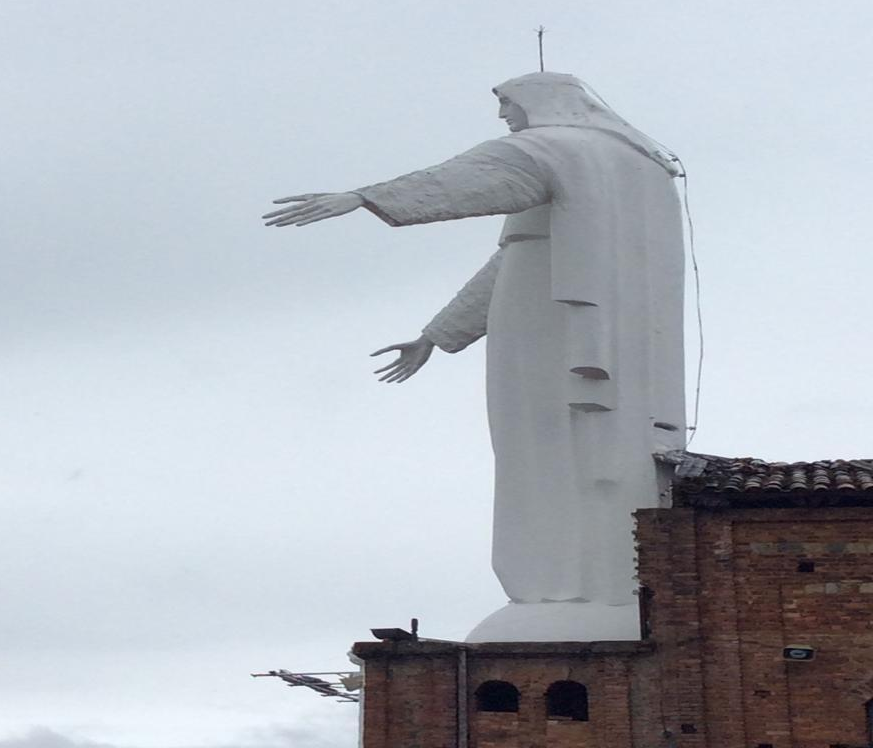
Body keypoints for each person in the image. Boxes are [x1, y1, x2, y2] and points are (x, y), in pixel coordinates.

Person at [264, 72, 685, 641]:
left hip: (547, 326)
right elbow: (517, 257)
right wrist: (437, 334)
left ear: (543, 103)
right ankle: (599, 585)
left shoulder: (561, 148)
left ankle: (564, 588)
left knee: (542, 445)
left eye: (508, 103)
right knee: (579, 449)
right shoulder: (639, 170)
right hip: (617, 336)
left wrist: (364, 197)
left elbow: (478, 179)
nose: (504, 115)